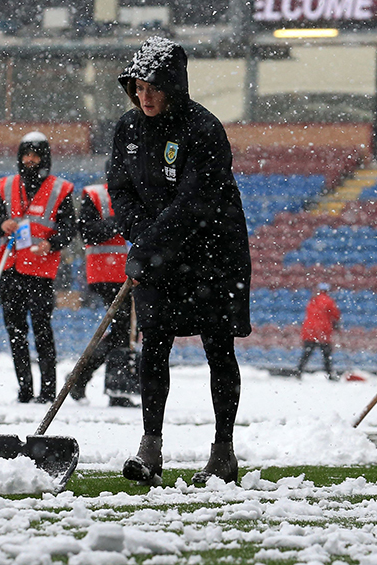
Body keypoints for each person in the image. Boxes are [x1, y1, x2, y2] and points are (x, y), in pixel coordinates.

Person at [109, 36, 252, 486]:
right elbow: (120, 190)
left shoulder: (204, 130)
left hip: (214, 256)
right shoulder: (128, 130)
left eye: (152, 86)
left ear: (172, 84)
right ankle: (150, 448)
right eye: (137, 87)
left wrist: (149, 246)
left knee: (218, 348)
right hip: (159, 258)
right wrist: (143, 239)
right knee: (153, 346)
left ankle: (223, 453)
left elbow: (195, 203)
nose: (144, 96)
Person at [0, 132, 77, 403]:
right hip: (11, 267)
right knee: (15, 332)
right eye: (26, 155)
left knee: (42, 331)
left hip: (41, 271)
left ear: (44, 158)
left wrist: (51, 244)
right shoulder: (6, 186)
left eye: (35, 155)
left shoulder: (60, 189)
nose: (30, 160)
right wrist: (2, 225)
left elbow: (68, 229)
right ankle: (25, 389)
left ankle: (48, 390)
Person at [68, 179, 135, 406]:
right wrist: (118, 223)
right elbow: (87, 233)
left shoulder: (140, 193)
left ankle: (105, 385)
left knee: (123, 330)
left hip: (131, 272)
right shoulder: (96, 194)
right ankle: (102, 385)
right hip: (107, 273)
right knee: (122, 330)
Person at [296, 282, 340, 379]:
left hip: (309, 330)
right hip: (323, 331)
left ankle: (299, 371)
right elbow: (335, 314)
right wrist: (336, 323)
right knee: (326, 355)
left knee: (306, 353)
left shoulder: (313, 300)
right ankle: (329, 374)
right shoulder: (329, 301)